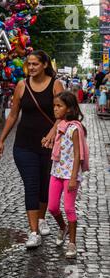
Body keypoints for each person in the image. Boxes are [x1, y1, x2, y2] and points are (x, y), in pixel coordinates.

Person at [0, 50, 64, 248]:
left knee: (44, 185)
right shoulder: (21, 85)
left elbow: (62, 111)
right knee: (31, 185)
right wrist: (1, 139)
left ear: (44, 65)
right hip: (24, 145)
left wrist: (53, 132)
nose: (31, 67)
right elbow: (12, 115)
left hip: (48, 145)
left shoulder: (55, 84)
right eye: (29, 64)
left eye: (35, 64)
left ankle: (41, 219)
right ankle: (33, 231)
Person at [48, 91, 89, 259]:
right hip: (56, 171)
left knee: (69, 208)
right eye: (54, 106)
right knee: (52, 207)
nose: (55, 109)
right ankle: (62, 227)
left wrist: (73, 178)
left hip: (70, 175)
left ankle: (72, 243)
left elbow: (78, 155)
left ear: (69, 108)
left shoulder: (74, 128)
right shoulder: (61, 125)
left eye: (59, 106)